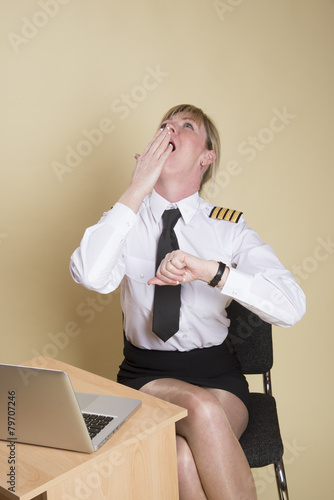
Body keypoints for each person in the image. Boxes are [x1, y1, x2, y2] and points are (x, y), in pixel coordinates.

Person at [70, 104, 306, 500]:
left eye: (185, 125)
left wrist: (211, 271)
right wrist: (135, 189)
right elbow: (90, 274)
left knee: (180, 456)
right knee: (198, 409)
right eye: (164, 125)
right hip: (145, 378)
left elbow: (291, 306)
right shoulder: (125, 219)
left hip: (218, 378)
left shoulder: (228, 229)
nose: (169, 129)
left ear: (206, 157)